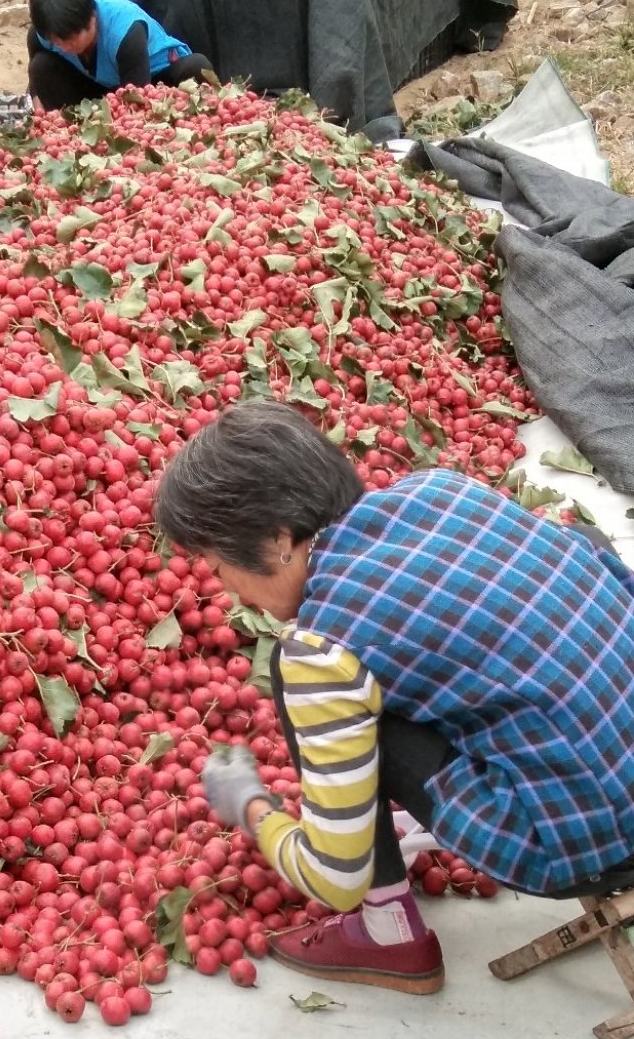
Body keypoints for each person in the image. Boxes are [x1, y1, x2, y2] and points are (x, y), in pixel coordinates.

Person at [154, 402, 634, 995]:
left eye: (219, 562)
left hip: (593, 848)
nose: (223, 585)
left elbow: (336, 879)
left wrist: (252, 807)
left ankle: (388, 934)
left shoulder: (322, 650)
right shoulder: (443, 488)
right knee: (580, 541)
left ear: (278, 539)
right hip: (609, 760)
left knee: (303, 676)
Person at [27, 0, 218, 112]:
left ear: (92, 17)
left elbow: (136, 99)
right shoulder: (42, 34)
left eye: (73, 37)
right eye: (59, 42)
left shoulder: (125, 31)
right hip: (102, 89)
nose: (68, 47)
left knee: (197, 66)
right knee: (41, 66)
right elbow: (36, 82)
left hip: (153, 82)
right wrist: (39, 105)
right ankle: (73, 131)